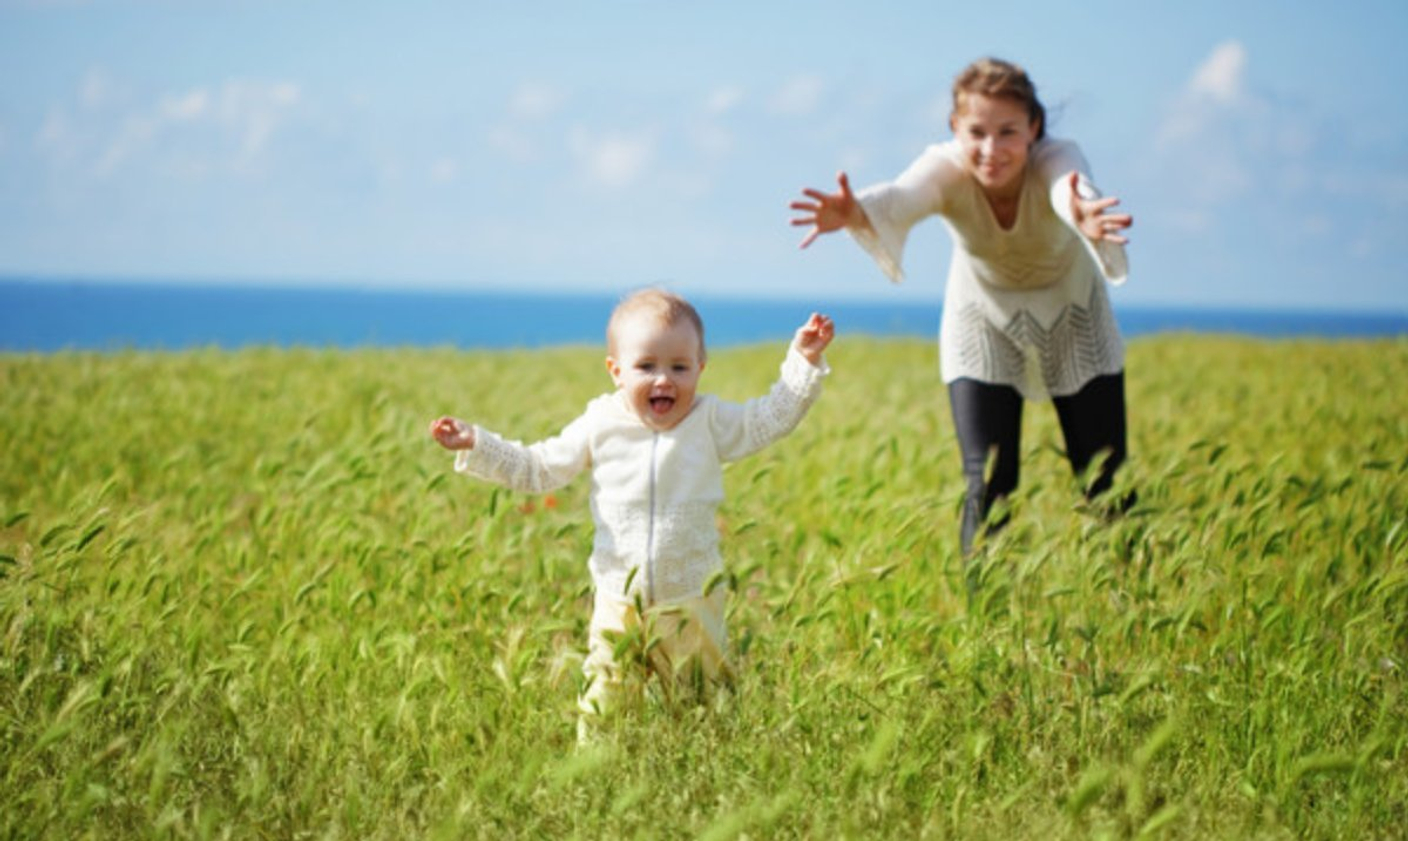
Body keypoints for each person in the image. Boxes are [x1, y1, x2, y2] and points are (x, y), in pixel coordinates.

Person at [429, 288, 834, 733]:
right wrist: (478, 443)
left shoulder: (710, 420)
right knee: (604, 701)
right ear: (616, 371)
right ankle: (592, 777)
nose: (664, 380)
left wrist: (804, 362)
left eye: (679, 367)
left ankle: (708, 775)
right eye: (646, 366)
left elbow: (768, 419)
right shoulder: (600, 423)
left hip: (691, 594)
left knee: (704, 703)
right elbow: (540, 467)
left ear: (700, 367)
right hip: (617, 596)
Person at [790, 57, 1134, 556]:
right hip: (982, 323)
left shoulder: (1059, 158)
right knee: (987, 481)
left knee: (1105, 478)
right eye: (976, 132)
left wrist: (1082, 211)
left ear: (1034, 128)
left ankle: (1132, 596)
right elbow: (906, 196)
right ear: (955, 128)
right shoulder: (945, 167)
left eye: (1008, 132)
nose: (991, 149)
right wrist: (856, 211)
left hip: (1075, 318)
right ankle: (990, 616)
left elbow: (1068, 188)